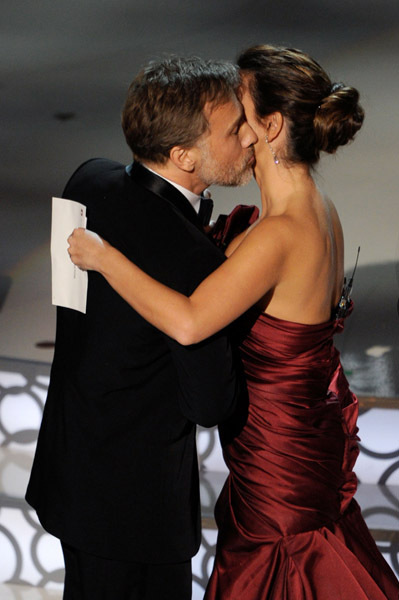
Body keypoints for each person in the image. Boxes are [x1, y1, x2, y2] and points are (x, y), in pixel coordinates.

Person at [68, 45, 399, 599]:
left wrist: (104, 257)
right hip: (295, 442)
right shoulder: (318, 209)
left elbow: (193, 322)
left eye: (236, 110)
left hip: (278, 463)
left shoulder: (277, 233)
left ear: (268, 127)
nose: (232, 126)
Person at [26, 55, 258, 600]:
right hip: (136, 511)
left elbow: (75, 308)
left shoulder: (89, 178)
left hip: (71, 472)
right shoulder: (194, 263)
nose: (250, 137)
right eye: (235, 128)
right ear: (183, 156)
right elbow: (210, 404)